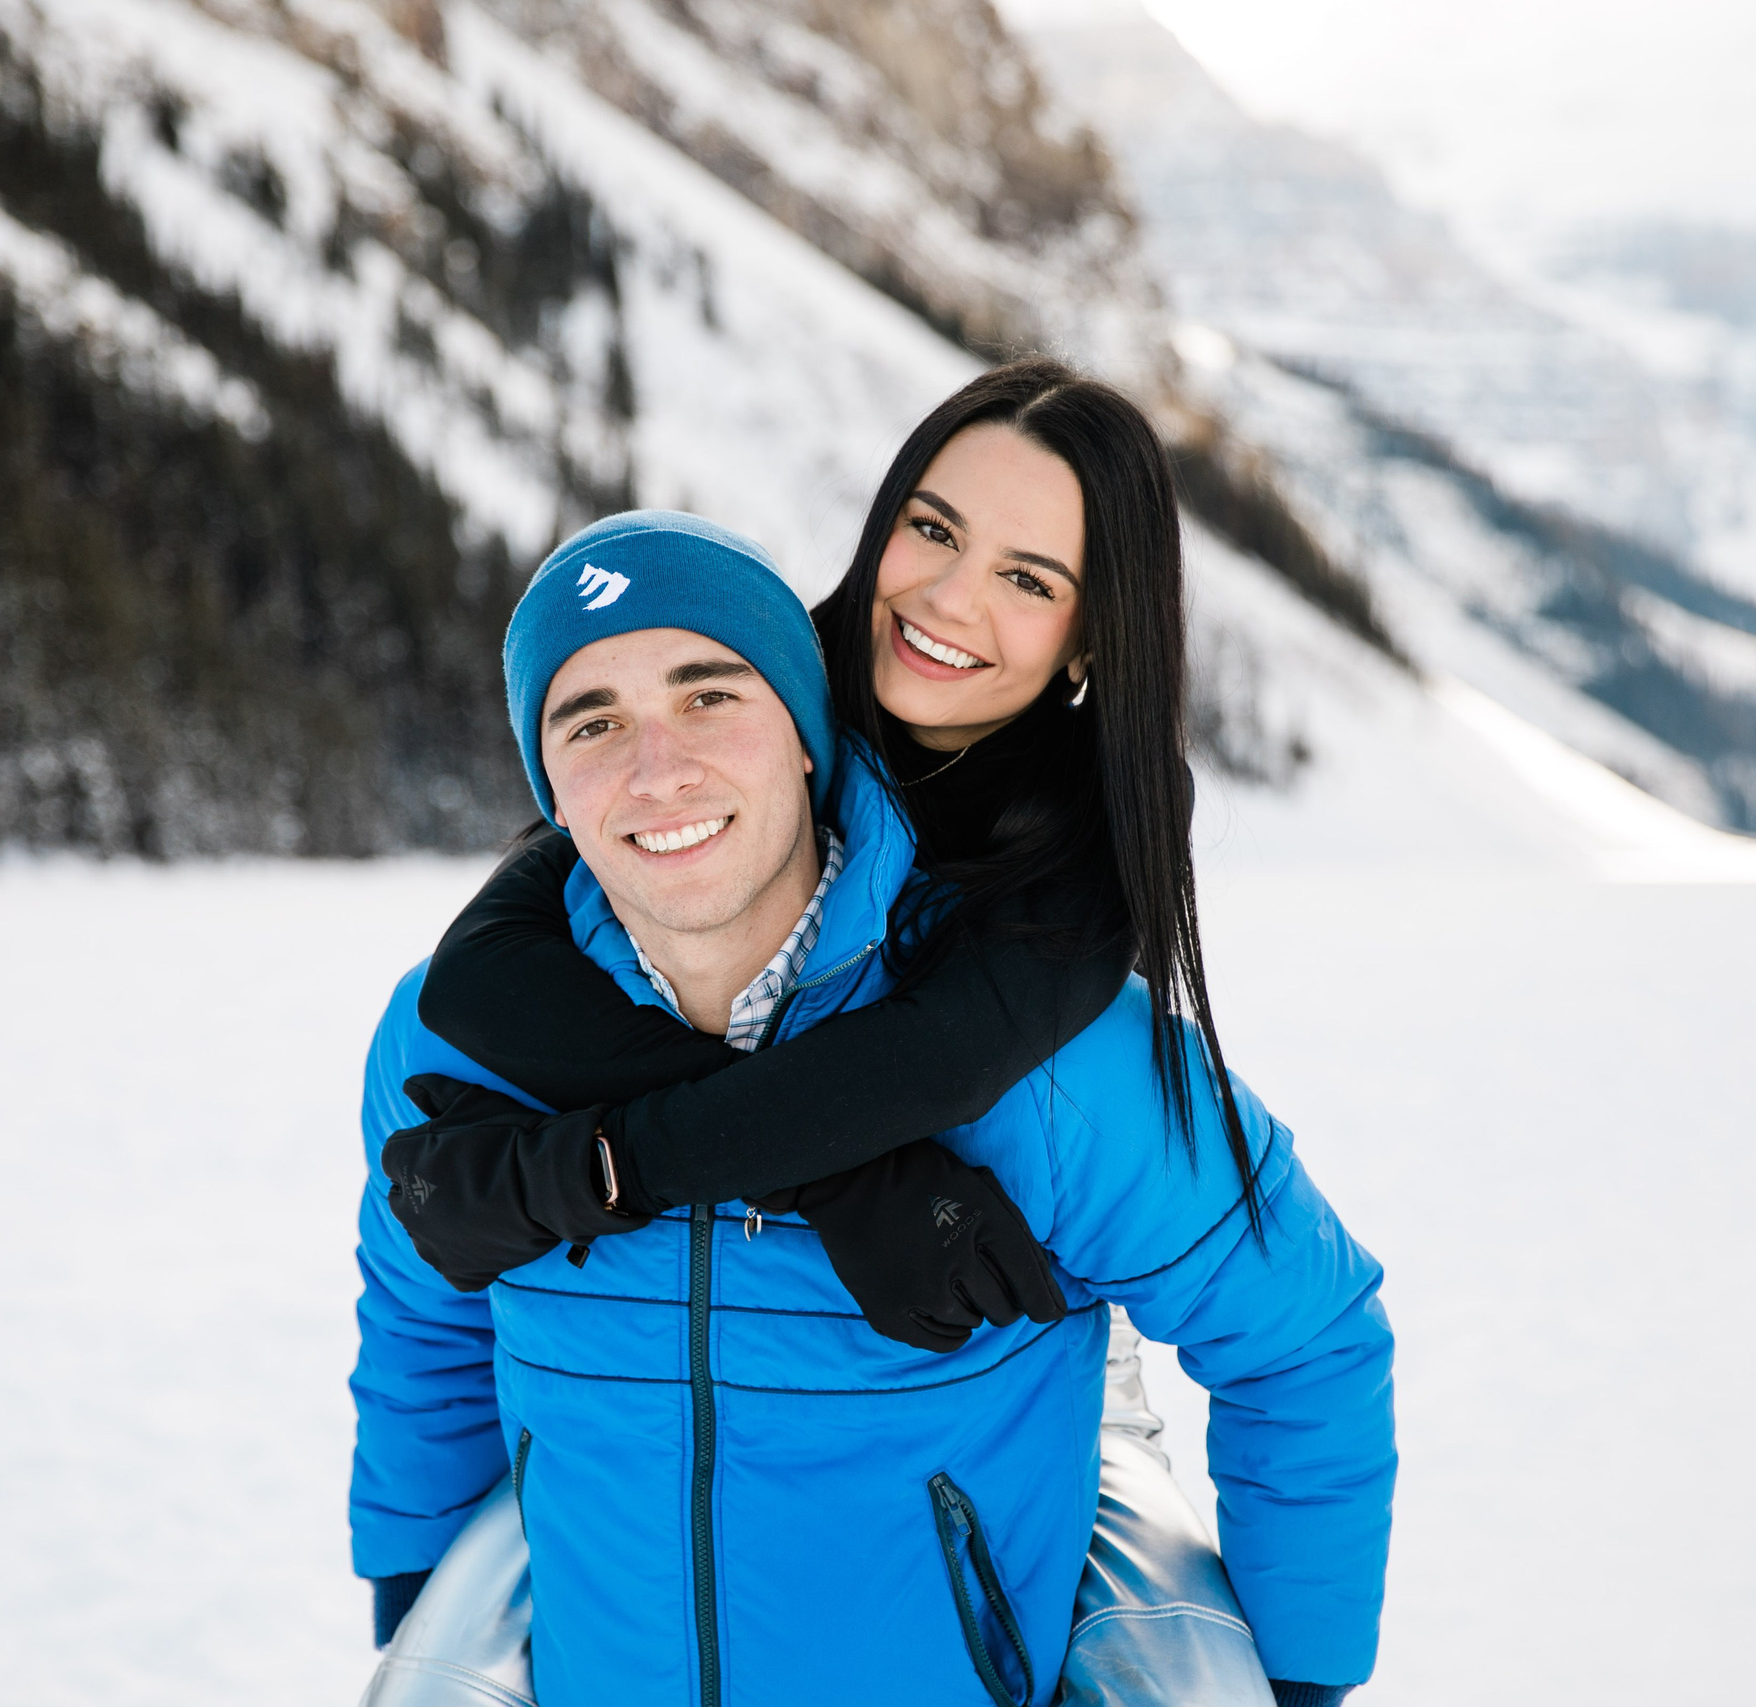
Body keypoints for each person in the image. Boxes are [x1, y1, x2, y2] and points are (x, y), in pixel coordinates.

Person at [349, 507, 1395, 1706]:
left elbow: (1305, 1337)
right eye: (592, 722)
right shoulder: (446, 1041)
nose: (658, 769)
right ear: (550, 782)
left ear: (804, 736)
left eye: (708, 696)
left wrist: (1306, 1681)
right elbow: (421, 1324)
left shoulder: (1038, 1059)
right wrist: (419, 1598)